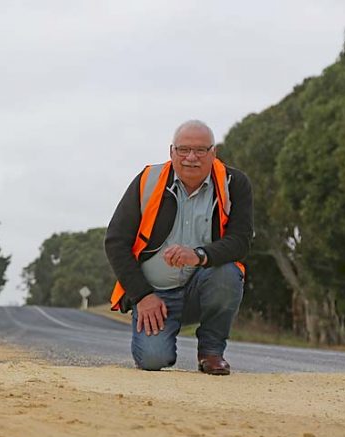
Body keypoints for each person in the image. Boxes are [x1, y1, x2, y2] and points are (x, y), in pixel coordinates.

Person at [105, 120, 253, 375]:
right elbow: (116, 241)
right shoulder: (147, 180)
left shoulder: (234, 183)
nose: (191, 158)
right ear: (171, 152)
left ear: (213, 153)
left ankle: (211, 352)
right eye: (184, 150)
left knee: (228, 273)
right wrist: (142, 296)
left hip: (202, 289)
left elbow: (240, 241)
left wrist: (199, 256)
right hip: (156, 296)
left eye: (200, 150)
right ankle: (156, 336)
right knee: (152, 359)